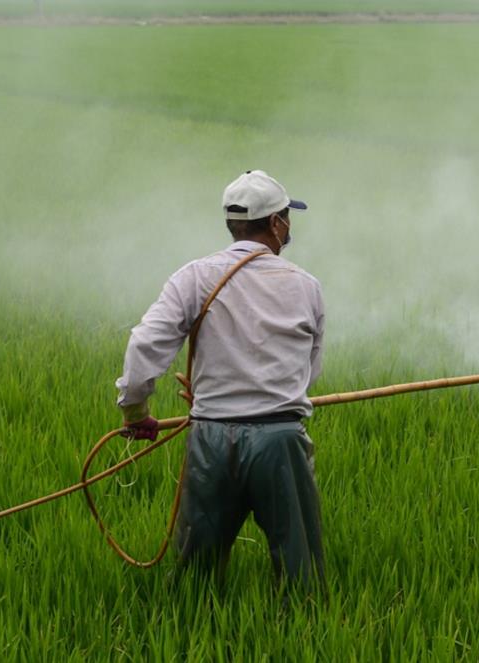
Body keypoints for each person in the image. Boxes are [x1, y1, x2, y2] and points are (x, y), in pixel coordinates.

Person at [114, 170, 326, 590]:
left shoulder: (194, 276)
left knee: (197, 575)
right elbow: (309, 370)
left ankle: (190, 632)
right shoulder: (305, 286)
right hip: (280, 439)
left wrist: (136, 412)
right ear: (275, 222)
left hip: (211, 438)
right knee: (301, 573)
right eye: (286, 217)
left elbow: (144, 345)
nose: (289, 227)